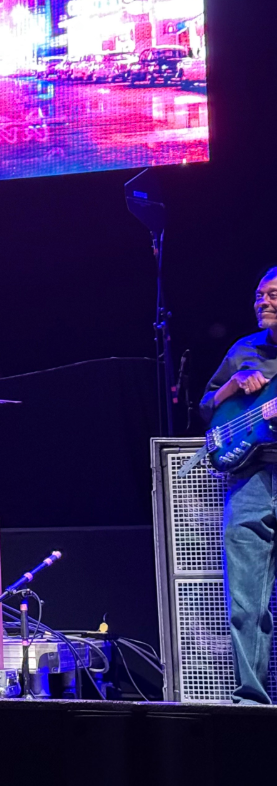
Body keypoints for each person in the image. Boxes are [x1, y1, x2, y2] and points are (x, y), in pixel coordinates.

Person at [201, 266, 277, 704]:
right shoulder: (244, 348)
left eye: (272, 295)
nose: (262, 302)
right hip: (249, 479)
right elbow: (206, 406)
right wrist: (233, 384)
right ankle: (250, 702)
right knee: (247, 603)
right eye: (258, 295)